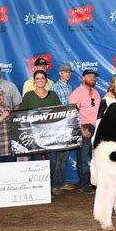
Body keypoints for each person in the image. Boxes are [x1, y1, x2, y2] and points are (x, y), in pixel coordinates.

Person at [21, 70, 62, 196]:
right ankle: (38, 188)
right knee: (37, 162)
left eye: (42, 78)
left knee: (53, 161)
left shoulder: (53, 95)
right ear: (34, 81)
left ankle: (50, 186)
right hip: (34, 135)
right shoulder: (28, 96)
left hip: (51, 134)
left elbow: (60, 113)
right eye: (37, 78)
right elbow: (23, 115)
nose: (40, 81)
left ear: (46, 80)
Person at [69, 69, 101, 194]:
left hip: (96, 127)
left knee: (97, 157)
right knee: (82, 159)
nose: (92, 78)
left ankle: (96, 182)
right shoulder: (76, 93)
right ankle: (84, 184)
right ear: (83, 78)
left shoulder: (96, 93)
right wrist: (81, 129)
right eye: (89, 76)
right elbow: (71, 113)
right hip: (83, 127)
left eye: (94, 76)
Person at [50, 63, 75, 192]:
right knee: (58, 157)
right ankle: (54, 185)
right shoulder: (55, 87)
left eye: (69, 71)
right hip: (59, 126)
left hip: (68, 125)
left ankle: (61, 182)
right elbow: (54, 108)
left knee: (64, 157)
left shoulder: (69, 87)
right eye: (65, 71)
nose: (68, 73)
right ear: (60, 73)